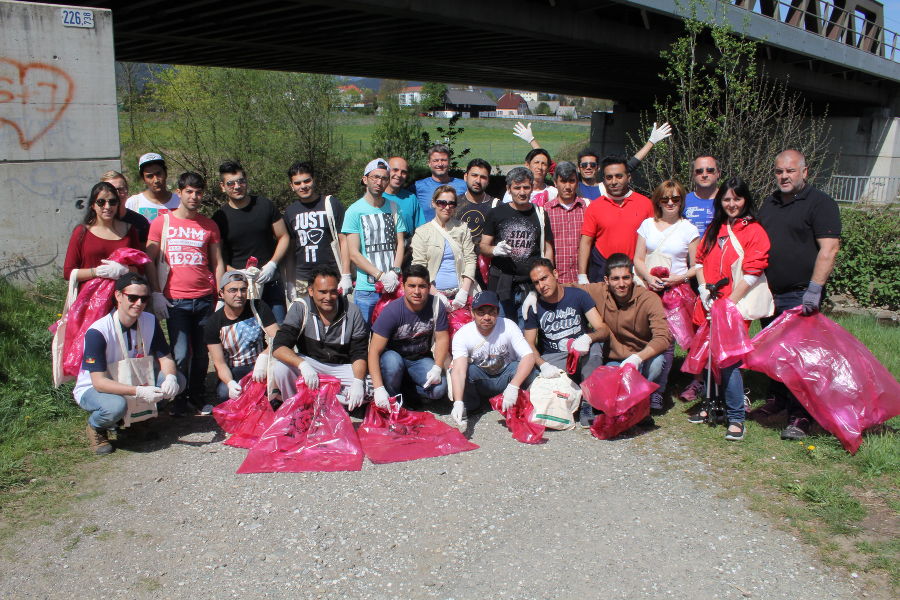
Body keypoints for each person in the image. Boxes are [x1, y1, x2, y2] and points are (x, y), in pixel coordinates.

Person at [755, 150, 841, 440]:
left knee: (801, 359)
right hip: (770, 293)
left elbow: (829, 249)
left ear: (805, 172)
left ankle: (801, 416)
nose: (784, 176)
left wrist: (814, 290)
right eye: (779, 171)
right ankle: (777, 401)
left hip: (800, 294)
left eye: (790, 171)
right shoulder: (769, 203)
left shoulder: (821, 203)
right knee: (774, 355)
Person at [690, 178, 771, 441]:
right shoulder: (715, 227)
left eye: (736, 198)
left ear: (745, 199)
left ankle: (736, 417)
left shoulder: (754, 231)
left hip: (733, 305)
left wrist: (729, 302)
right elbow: (700, 260)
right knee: (708, 356)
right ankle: (711, 404)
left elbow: (753, 270)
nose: (732, 204)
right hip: (710, 303)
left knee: (729, 361)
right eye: (726, 199)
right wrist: (703, 289)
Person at [73, 273, 183, 454]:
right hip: (95, 388)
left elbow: (166, 358)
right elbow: (99, 382)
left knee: (178, 381)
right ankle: (96, 428)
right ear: (118, 296)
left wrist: (170, 378)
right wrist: (139, 391)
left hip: (132, 377)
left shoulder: (150, 321)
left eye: (144, 298)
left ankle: (137, 422)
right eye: (132, 297)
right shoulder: (98, 332)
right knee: (115, 406)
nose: (139, 303)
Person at [146, 172, 224, 416]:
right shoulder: (162, 222)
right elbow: (149, 259)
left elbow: (218, 262)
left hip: (203, 299)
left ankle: (197, 396)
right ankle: (178, 399)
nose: (194, 196)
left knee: (202, 353)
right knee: (180, 352)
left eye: (198, 192)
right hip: (175, 300)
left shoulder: (208, 225)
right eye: (189, 191)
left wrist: (220, 295)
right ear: (179, 192)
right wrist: (156, 293)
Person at [577, 254, 673, 426]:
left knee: (658, 361)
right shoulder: (597, 291)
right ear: (606, 280)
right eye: (615, 279)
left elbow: (663, 337)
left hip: (642, 360)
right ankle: (628, 405)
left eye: (626, 278)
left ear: (633, 277)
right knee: (613, 395)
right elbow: (565, 289)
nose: (621, 284)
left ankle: (645, 400)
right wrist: (533, 293)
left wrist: (637, 358)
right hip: (615, 363)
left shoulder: (649, 298)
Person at [633, 179, 700, 410]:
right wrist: (649, 278)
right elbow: (638, 258)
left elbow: (696, 265)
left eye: (676, 198)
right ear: (658, 201)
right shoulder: (647, 225)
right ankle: (639, 385)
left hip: (675, 293)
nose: (670, 203)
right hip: (648, 289)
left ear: (681, 200)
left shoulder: (689, 229)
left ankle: (658, 391)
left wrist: (677, 279)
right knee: (643, 337)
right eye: (665, 199)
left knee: (668, 343)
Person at [272, 267, 369, 411]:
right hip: (311, 364)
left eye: (333, 291)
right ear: (311, 291)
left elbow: (359, 352)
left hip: (341, 366)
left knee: (371, 387)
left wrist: (357, 381)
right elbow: (279, 347)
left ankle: (323, 401)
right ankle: (296, 408)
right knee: (281, 368)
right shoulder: (300, 307)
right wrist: (302, 365)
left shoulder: (352, 311)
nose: (328, 297)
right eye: (322, 292)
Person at [512, 122, 672, 201]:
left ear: (598, 168)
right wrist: (532, 141)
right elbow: (550, 164)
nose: (588, 168)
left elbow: (630, 166)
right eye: (584, 165)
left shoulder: (606, 186)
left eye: (592, 165)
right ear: (579, 168)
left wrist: (651, 142)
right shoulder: (574, 185)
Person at [212, 161, 290, 323]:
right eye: (231, 183)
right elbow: (218, 258)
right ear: (222, 186)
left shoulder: (264, 205)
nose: (237, 186)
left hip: (270, 282)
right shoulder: (219, 217)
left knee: (279, 333)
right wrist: (237, 272)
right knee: (247, 336)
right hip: (239, 287)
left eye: (241, 181)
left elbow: (284, 237)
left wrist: (272, 264)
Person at [449, 290, 535, 427]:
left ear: (498, 312)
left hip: (507, 376)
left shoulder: (509, 326)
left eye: (491, 312)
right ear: (472, 313)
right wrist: (458, 401)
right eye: (481, 312)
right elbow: (458, 370)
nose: (487, 317)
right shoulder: (462, 334)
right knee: (463, 370)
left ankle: (522, 406)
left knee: (528, 370)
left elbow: (529, 356)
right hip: (481, 378)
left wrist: (514, 386)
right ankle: (470, 406)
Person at [479, 167, 554, 323]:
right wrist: (495, 250)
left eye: (526, 187)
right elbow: (483, 246)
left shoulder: (540, 213)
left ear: (532, 188)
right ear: (509, 189)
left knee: (526, 332)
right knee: (500, 331)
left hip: (530, 284)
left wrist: (545, 279)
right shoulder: (496, 213)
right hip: (501, 282)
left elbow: (547, 249)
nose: (522, 192)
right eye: (517, 187)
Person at [369, 264, 449, 406]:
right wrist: (378, 388)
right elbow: (374, 351)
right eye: (411, 286)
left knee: (439, 389)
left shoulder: (437, 305)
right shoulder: (392, 311)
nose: (417, 291)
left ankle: (408, 391)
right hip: (393, 357)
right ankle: (392, 398)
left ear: (429, 287)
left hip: (419, 358)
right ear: (403, 286)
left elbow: (442, 338)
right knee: (393, 363)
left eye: (422, 286)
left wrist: (437, 367)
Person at [342, 158, 408, 323]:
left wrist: (395, 272)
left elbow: (400, 243)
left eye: (384, 178)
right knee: (362, 339)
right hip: (366, 290)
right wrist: (380, 275)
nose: (379, 182)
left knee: (391, 337)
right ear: (365, 179)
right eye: (375, 177)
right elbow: (354, 253)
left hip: (392, 286)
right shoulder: (354, 211)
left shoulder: (394, 207)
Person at [204, 271, 279, 412]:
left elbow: (278, 337)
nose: (239, 295)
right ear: (221, 294)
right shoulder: (213, 323)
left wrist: (264, 357)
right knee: (224, 393)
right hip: (235, 369)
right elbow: (219, 363)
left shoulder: (258, 307)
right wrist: (230, 383)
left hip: (262, 364)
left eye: (243, 290)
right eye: (233, 290)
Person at [524, 258, 607, 384]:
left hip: (582, 352)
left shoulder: (578, 295)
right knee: (535, 379)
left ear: (555, 274)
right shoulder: (534, 307)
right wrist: (543, 365)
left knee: (595, 348)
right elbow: (529, 344)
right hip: (555, 357)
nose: (541, 286)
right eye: (536, 283)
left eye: (544, 278)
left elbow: (603, 329)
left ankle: (588, 399)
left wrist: (588, 338)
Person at [282, 161, 352, 300]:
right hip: (302, 279)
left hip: (332, 276)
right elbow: (290, 252)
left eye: (307, 181)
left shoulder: (331, 204)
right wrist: (290, 282)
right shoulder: (290, 212)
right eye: (297, 183)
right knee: (306, 320)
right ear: (291, 186)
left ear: (314, 180)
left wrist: (346, 274)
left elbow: (343, 240)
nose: (303, 186)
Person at [578, 156, 654, 283]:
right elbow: (585, 242)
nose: (614, 181)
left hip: (636, 272)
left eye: (619, 176)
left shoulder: (646, 204)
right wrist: (582, 276)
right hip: (602, 269)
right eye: (609, 177)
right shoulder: (595, 207)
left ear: (628, 177)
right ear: (604, 180)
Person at [63, 182, 145, 287]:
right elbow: (68, 273)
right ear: (93, 205)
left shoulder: (129, 230)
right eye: (101, 202)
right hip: (90, 298)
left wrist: (124, 270)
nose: (107, 206)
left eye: (113, 202)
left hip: (123, 299)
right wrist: (96, 272)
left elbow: (141, 269)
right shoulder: (81, 232)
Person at [411, 186, 477, 310]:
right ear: (433, 203)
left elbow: (470, 259)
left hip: (461, 295)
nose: (447, 207)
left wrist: (464, 291)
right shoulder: (422, 232)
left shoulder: (462, 228)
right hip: (432, 295)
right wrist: (436, 294)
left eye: (451, 203)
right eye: (442, 203)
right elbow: (419, 267)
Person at [542, 161, 591, 284]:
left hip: (583, 278)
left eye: (572, 181)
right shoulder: (545, 211)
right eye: (563, 181)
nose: (567, 186)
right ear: (555, 183)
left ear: (577, 182)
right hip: (557, 280)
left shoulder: (587, 208)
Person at [414, 144, 468, 221]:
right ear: (429, 163)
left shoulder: (463, 185)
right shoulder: (418, 187)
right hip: (428, 231)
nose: (440, 164)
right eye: (435, 160)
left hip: (455, 231)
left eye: (443, 160)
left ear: (449, 162)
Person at [454, 158, 495, 255]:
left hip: (484, 265)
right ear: (465, 177)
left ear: (488, 180)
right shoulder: (453, 204)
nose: (478, 180)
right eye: (474, 175)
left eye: (483, 177)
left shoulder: (496, 207)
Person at [124, 152, 180, 222]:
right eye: (150, 176)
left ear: (165, 173)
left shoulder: (179, 202)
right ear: (143, 178)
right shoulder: (133, 203)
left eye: (158, 174)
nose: (156, 180)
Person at [100, 170, 150, 245]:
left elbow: (145, 254)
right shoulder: (94, 224)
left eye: (120, 189)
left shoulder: (140, 222)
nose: (116, 194)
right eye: (111, 190)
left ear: (127, 191)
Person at [383, 156, 425, 237]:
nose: (399, 175)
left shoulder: (411, 198)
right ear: (386, 171)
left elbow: (421, 228)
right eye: (395, 170)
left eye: (403, 172)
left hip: (408, 246)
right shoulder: (377, 197)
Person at [683, 155, 720, 236]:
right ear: (693, 175)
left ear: (718, 173)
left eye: (710, 170)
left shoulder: (729, 201)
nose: (704, 175)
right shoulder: (682, 201)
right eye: (699, 171)